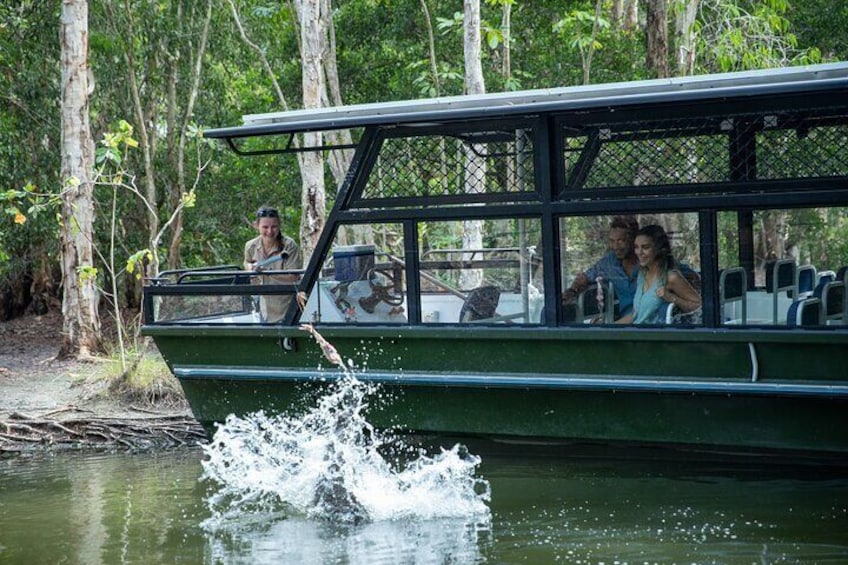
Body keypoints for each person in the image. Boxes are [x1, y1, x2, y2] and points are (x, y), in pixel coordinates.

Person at [616, 224, 701, 325]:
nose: (639, 252)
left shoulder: (671, 277)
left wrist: (673, 298)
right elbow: (636, 315)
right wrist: (608, 327)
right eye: (636, 247)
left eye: (645, 247)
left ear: (659, 249)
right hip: (637, 334)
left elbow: (699, 307)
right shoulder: (642, 274)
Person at [563, 215, 640, 320]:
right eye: (612, 241)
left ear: (633, 240)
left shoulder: (646, 262)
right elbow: (586, 277)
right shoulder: (609, 262)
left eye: (621, 241)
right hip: (624, 322)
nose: (615, 246)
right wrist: (572, 291)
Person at [244, 206, 301, 322]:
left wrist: (266, 272)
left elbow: (293, 277)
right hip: (262, 310)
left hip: (287, 309)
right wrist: (249, 268)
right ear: (256, 226)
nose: (270, 231)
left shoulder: (290, 246)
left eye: (274, 227)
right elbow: (247, 263)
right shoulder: (250, 246)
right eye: (265, 227)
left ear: (279, 225)